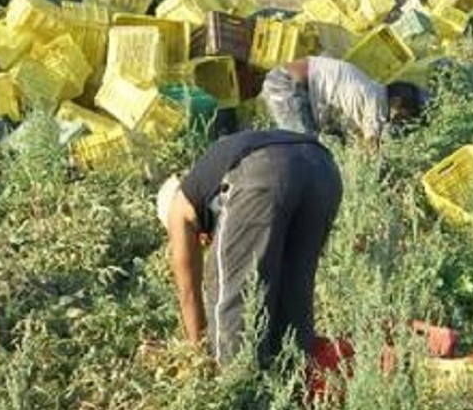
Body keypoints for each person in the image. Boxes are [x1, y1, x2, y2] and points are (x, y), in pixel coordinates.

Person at [157, 130, 343, 367]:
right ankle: (297, 383)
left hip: (264, 169)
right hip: (323, 168)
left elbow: (189, 292)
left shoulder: (178, 207)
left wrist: (199, 356)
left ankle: (238, 391)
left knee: (231, 306)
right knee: (293, 303)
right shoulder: (208, 180)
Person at [261, 56, 424, 149]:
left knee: (313, 145)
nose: (398, 122)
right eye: (402, 116)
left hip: (285, 80)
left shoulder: (370, 89)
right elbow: (371, 146)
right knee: (304, 151)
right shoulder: (378, 103)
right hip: (288, 86)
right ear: (396, 102)